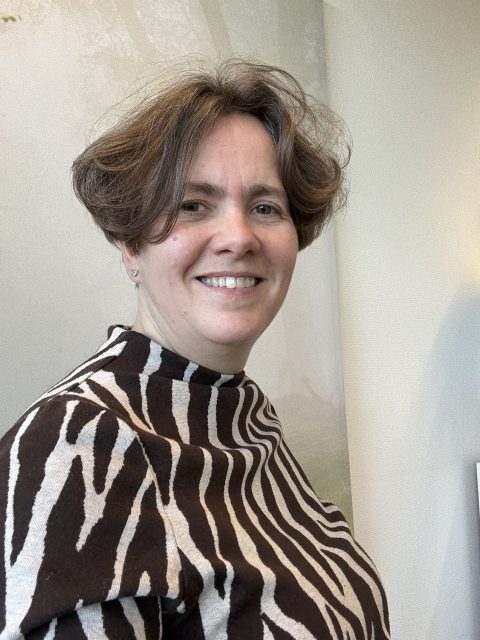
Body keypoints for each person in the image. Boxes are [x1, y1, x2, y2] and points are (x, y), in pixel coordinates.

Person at [0, 60, 389, 639]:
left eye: (265, 207)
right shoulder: (79, 445)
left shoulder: (241, 415)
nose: (239, 237)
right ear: (130, 244)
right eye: (192, 205)